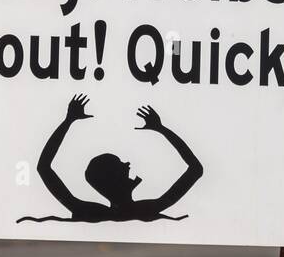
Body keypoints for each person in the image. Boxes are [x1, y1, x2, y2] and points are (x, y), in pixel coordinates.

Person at [18, 94, 203, 223]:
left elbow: (44, 167)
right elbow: (196, 169)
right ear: (113, 179)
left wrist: (69, 120)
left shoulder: (87, 212)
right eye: (120, 165)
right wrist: (161, 129)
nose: (128, 164)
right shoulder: (147, 210)